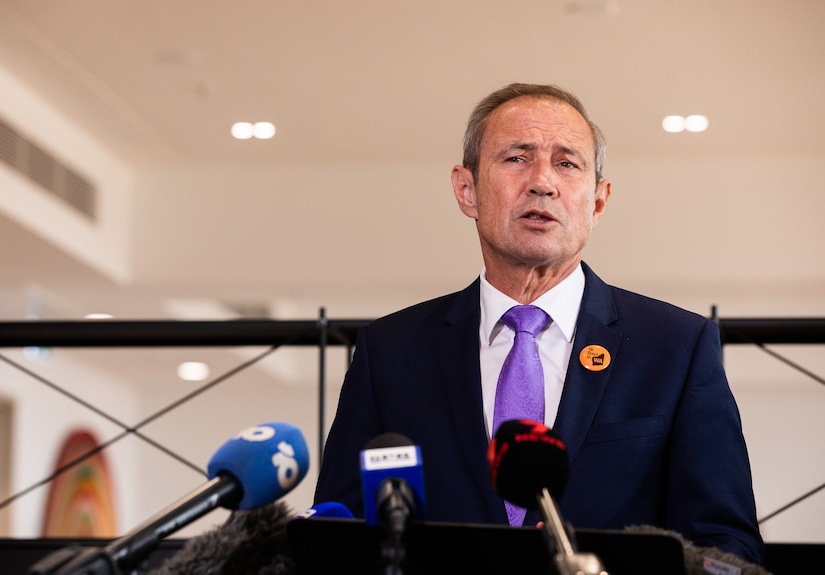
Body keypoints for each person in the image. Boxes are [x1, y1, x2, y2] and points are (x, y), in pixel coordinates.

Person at [313, 83, 764, 565]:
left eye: (567, 163)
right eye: (517, 158)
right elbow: (334, 535)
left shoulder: (676, 347)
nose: (543, 182)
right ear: (467, 190)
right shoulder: (389, 352)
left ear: (597, 202)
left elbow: (725, 546)